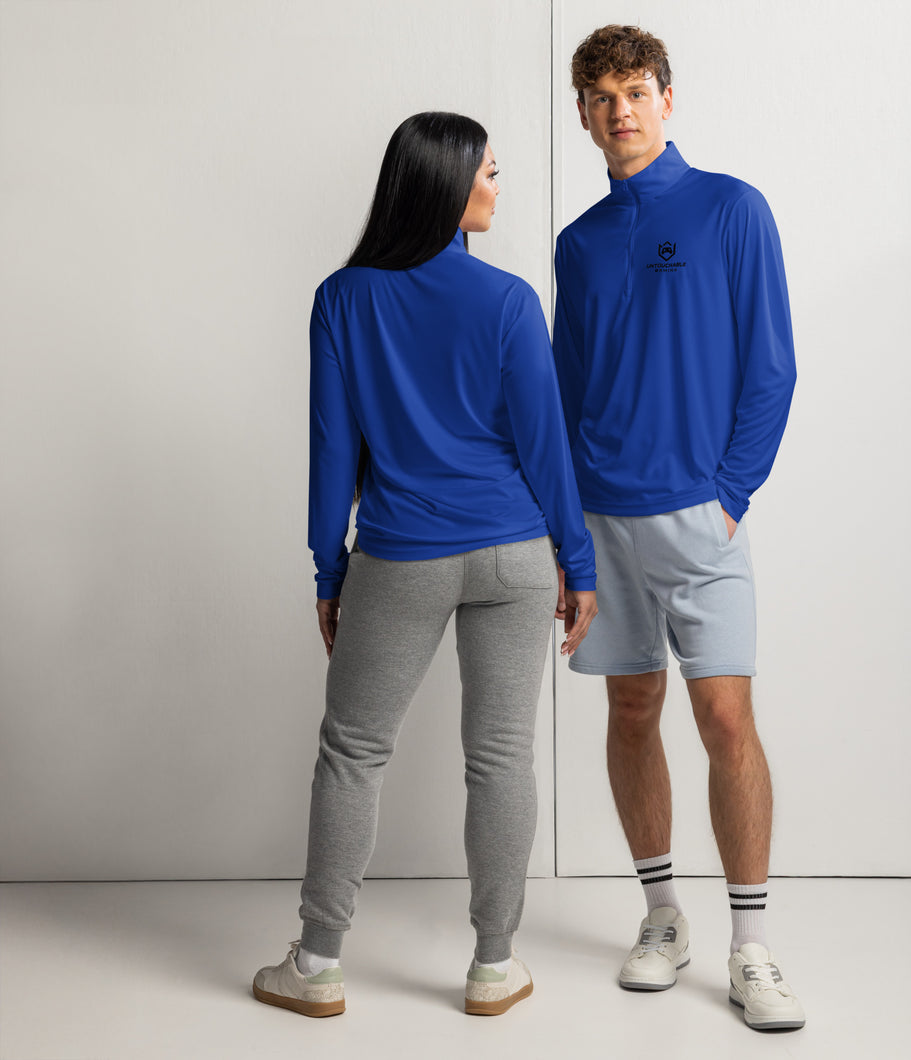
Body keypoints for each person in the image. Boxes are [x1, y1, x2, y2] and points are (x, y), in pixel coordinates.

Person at [253, 112, 597, 1019]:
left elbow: (334, 450)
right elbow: (546, 447)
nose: (497, 186)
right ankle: (494, 967)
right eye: (488, 171)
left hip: (401, 556)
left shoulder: (343, 298)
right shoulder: (508, 301)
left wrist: (328, 572)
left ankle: (317, 965)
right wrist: (578, 562)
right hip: (515, 555)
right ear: (444, 183)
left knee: (353, 752)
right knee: (503, 756)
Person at [552, 26, 804, 1031]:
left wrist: (729, 493)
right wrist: (565, 527)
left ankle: (751, 946)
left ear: (667, 98)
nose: (620, 109)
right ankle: (662, 917)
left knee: (726, 720)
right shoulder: (579, 242)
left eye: (635, 90)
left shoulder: (731, 209)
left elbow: (772, 366)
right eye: (601, 96)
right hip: (600, 519)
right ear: (583, 115)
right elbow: (565, 389)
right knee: (630, 710)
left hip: (703, 517)